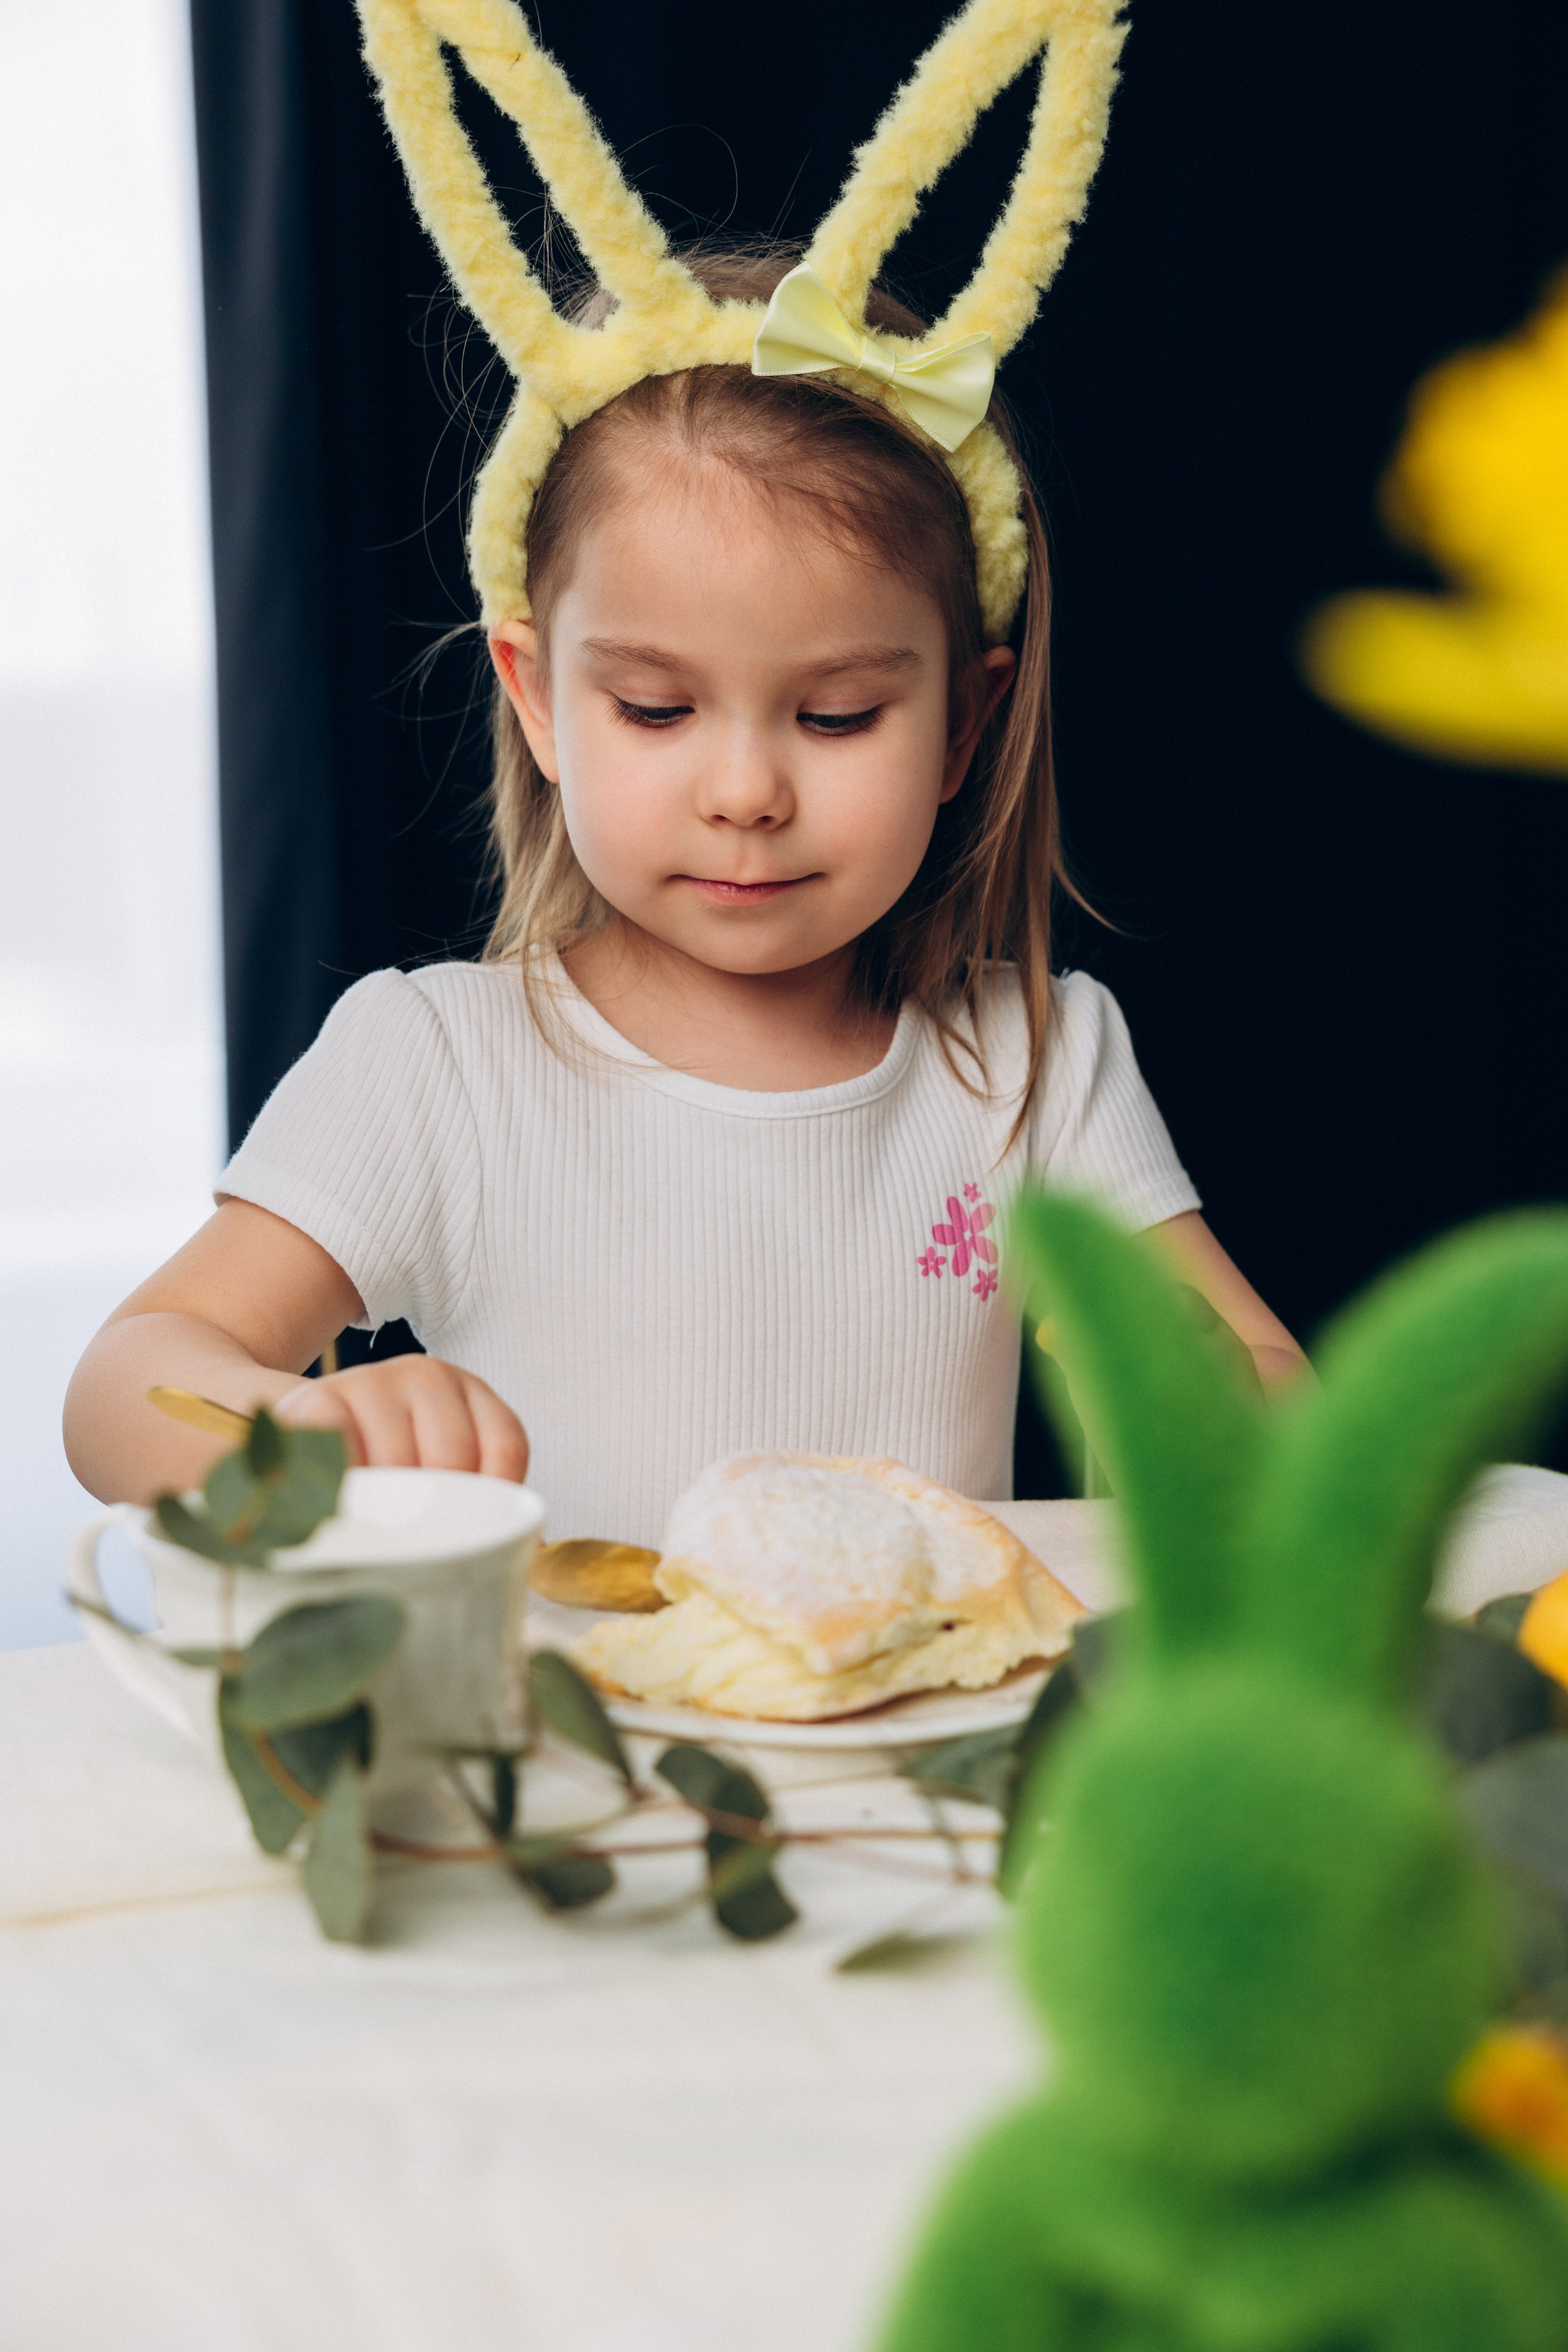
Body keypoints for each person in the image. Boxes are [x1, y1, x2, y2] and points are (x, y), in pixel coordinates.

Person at [64, 6, 1306, 1542]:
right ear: (533, 696)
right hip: (556, 1779)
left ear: (964, 729)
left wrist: (1211, 1397)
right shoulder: (431, 1067)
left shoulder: (1034, 1068)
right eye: (655, 709)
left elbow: (1263, 1380)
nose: (744, 792)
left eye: (836, 717)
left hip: (912, 1780)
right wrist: (298, 1419)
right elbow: (120, 1385)